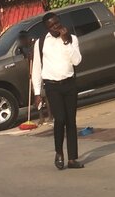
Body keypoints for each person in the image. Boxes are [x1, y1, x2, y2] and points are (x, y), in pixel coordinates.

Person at [32, 12, 83, 170]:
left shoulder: (72, 39)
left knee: (71, 121)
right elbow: (36, 68)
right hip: (52, 85)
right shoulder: (41, 43)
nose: (56, 27)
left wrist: (66, 41)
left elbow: (77, 61)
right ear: (47, 28)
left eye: (57, 23)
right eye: (52, 26)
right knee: (59, 119)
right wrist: (37, 92)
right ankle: (59, 153)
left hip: (69, 84)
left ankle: (73, 159)